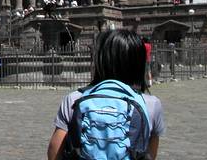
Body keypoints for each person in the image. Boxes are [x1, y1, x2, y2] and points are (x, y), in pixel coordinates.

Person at [47, 30, 166, 160]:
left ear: (100, 61)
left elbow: (54, 153)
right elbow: (149, 154)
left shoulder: (74, 99)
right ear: (138, 63)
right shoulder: (151, 104)